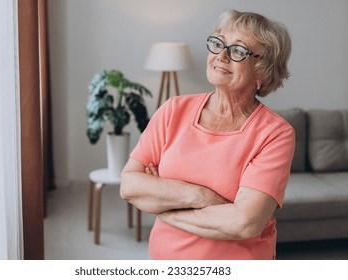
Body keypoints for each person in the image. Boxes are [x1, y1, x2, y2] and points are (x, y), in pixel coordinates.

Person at [120, 9, 295, 260]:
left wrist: (165, 206)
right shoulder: (173, 110)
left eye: (237, 50)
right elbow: (130, 185)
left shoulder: (275, 133)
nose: (221, 56)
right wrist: (200, 196)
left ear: (262, 70)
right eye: (218, 43)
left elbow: (244, 223)